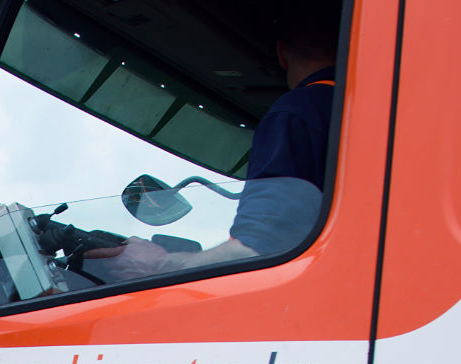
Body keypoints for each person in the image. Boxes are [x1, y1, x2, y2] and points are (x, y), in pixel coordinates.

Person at [88, 8, 339, 279]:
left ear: (281, 53)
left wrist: (157, 264)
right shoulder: (351, 107)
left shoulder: (297, 112)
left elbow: (256, 251)